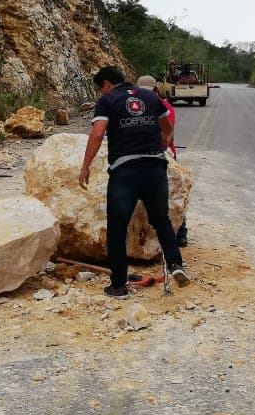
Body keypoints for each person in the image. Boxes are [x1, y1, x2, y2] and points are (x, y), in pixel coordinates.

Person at [79, 66, 190, 298]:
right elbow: (167, 126)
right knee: (161, 220)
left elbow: (98, 134)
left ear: (106, 84)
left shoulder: (108, 100)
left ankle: (119, 285)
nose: (101, 92)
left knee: (117, 228)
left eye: (100, 88)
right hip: (155, 168)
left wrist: (85, 166)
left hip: (125, 172)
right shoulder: (150, 97)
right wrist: (163, 142)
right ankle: (175, 264)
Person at [136, 74, 188, 246]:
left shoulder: (164, 106)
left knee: (172, 193)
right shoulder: (135, 106)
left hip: (164, 154)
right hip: (143, 154)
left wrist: (161, 150)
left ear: (156, 90)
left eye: (149, 91)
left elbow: (168, 133)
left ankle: (181, 232)